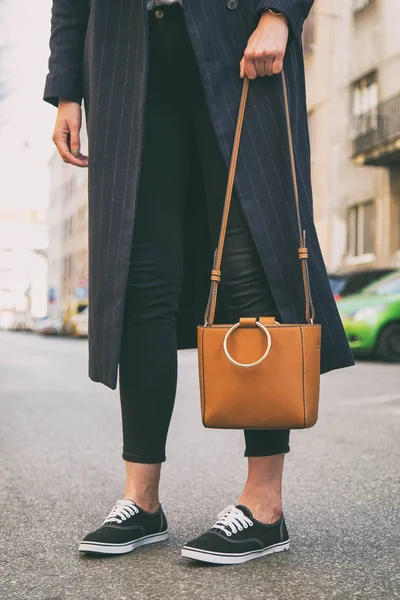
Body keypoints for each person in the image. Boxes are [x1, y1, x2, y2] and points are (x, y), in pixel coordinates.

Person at [44, 0, 354, 565]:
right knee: (140, 277)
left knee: (252, 262)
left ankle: (265, 505)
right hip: (127, 61)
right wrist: (66, 87)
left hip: (241, 43)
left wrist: (281, 13)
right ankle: (141, 501)